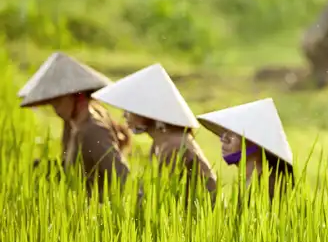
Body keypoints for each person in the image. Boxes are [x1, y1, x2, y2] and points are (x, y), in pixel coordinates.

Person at [91, 63, 217, 208]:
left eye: (130, 109)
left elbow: (163, 200)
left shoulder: (174, 146)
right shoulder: (161, 142)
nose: (124, 115)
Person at [19, 52, 132, 200]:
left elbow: (122, 176)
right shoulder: (72, 124)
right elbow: (75, 169)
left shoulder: (93, 130)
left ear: (77, 96)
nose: (56, 110)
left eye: (57, 102)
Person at [198, 98, 295, 205]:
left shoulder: (271, 185)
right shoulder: (247, 183)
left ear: (255, 143)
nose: (223, 139)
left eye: (232, 134)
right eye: (225, 133)